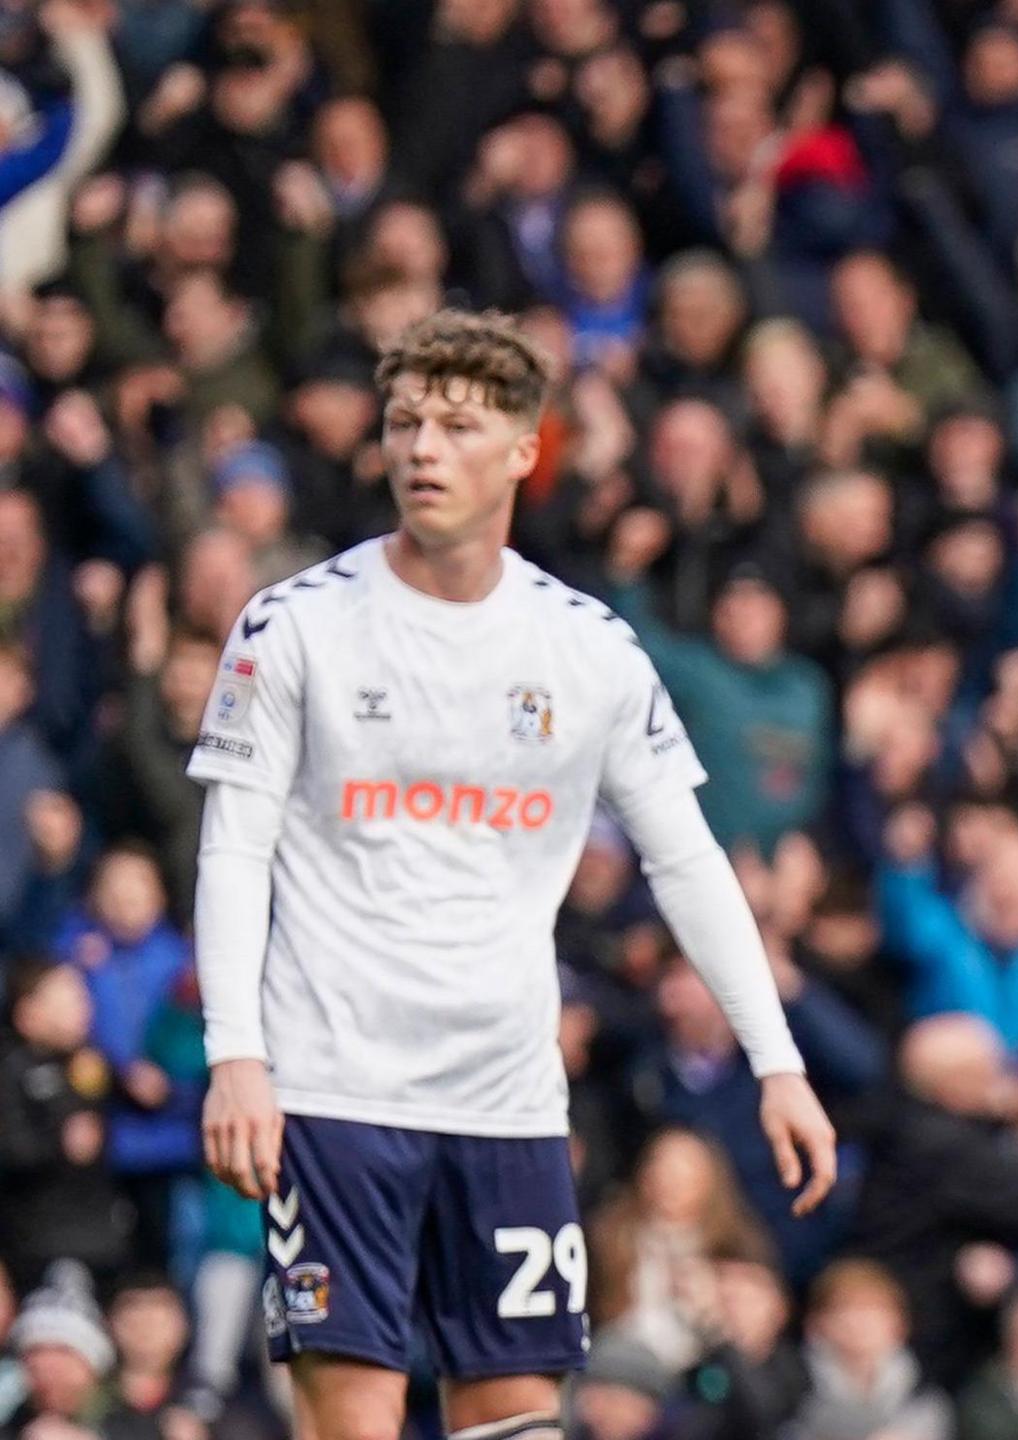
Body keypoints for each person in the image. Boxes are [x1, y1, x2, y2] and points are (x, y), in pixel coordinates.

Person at [185, 310, 835, 1440]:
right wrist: (235, 1054)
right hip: (336, 1096)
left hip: (509, 1104)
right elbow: (233, 847)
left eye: (456, 425)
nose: (421, 449)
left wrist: (775, 1059)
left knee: (518, 1427)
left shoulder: (584, 648)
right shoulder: (293, 627)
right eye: (402, 424)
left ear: (526, 451)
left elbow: (687, 858)